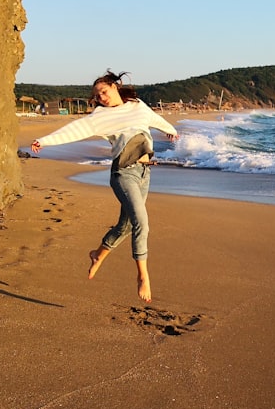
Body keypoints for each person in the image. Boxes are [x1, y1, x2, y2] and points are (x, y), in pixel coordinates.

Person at [30, 70, 178, 302]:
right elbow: (73, 130)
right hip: (123, 174)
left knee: (126, 225)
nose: (101, 97)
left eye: (104, 91)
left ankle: (98, 255)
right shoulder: (99, 117)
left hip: (144, 173)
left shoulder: (137, 105)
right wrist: (44, 141)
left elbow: (154, 119)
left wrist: (171, 130)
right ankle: (143, 276)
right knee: (142, 222)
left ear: (115, 87)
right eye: (97, 95)